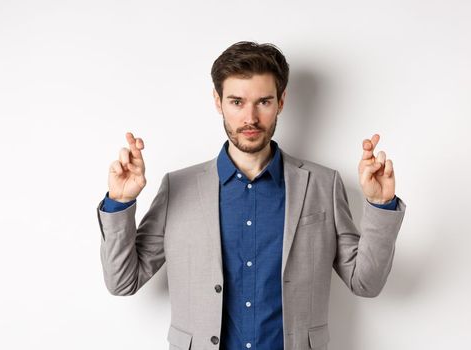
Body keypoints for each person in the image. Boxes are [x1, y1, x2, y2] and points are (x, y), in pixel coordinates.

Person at [96, 41, 406, 350]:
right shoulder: (178, 187)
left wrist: (381, 205)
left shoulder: (323, 185)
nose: (250, 118)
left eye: (263, 102)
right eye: (237, 102)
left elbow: (366, 282)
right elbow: (122, 281)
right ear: (218, 102)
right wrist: (120, 202)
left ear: (281, 102)